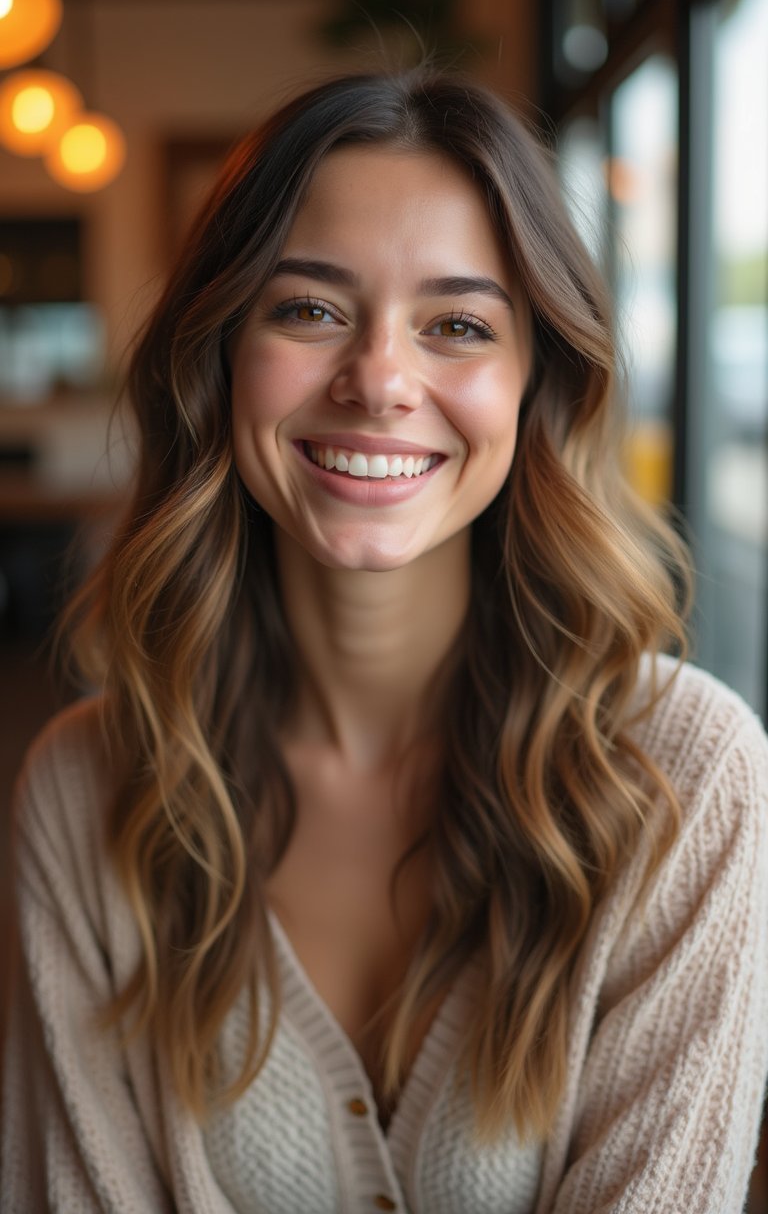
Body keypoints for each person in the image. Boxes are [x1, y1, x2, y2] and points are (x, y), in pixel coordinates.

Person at [2, 69, 768, 1214]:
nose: (379, 381)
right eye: (308, 309)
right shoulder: (81, 790)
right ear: (218, 355)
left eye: (457, 325)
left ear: (534, 382)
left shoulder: (688, 778)